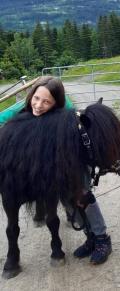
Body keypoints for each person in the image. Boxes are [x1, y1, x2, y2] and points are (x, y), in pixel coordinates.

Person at [0, 76, 112, 264]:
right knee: (69, 201)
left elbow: (82, 129)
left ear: (56, 103)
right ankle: (89, 236)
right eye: (36, 98)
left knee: (81, 193)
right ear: (31, 95)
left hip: (67, 157)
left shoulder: (66, 112)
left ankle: (101, 238)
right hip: (42, 162)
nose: (38, 105)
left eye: (46, 102)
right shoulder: (24, 107)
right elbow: (2, 119)